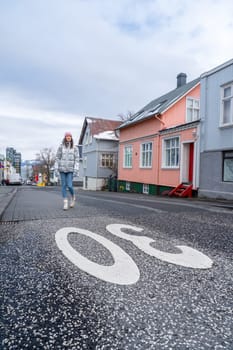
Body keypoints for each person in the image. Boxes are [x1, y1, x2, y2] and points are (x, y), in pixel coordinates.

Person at [55, 132, 79, 210]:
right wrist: (56, 168)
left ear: (71, 137)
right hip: (62, 169)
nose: (68, 137)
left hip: (70, 170)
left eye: (70, 136)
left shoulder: (75, 148)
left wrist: (76, 169)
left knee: (70, 185)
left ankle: (73, 197)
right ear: (65, 137)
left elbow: (77, 159)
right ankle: (65, 202)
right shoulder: (61, 147)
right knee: (64, 186)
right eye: (67, 136)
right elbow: (57, 158)